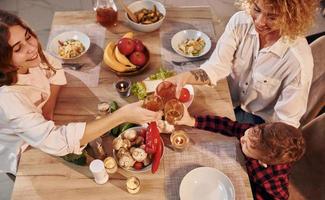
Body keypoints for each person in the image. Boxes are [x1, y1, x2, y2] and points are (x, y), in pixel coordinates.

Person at [0, 9, 162, 176]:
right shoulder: (8, 99)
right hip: (21, 149)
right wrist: (122, 116)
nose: (32, 48)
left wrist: (49, 106)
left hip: (40, 126)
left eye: (28, 37)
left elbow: (55, 68)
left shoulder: (32, 58)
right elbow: (56, 141)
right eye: (18, 48)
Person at [167, 0, 319, 127]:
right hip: (229, 99)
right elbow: (217, 66)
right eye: (257, 9)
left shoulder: (298, 62)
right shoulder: (240, 21)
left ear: (291, 17)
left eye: (272, 17)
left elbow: (286, 124)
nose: (259, 22)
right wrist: (184, 77)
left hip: (259, 122)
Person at [176, 108, 305, 200]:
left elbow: (280, 197)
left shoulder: (270, 177)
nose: (242, 138)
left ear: (262, 162)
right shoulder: (255, 135)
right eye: (247, 133)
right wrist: (192, 121)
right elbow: (228, 126)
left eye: (246, 145)